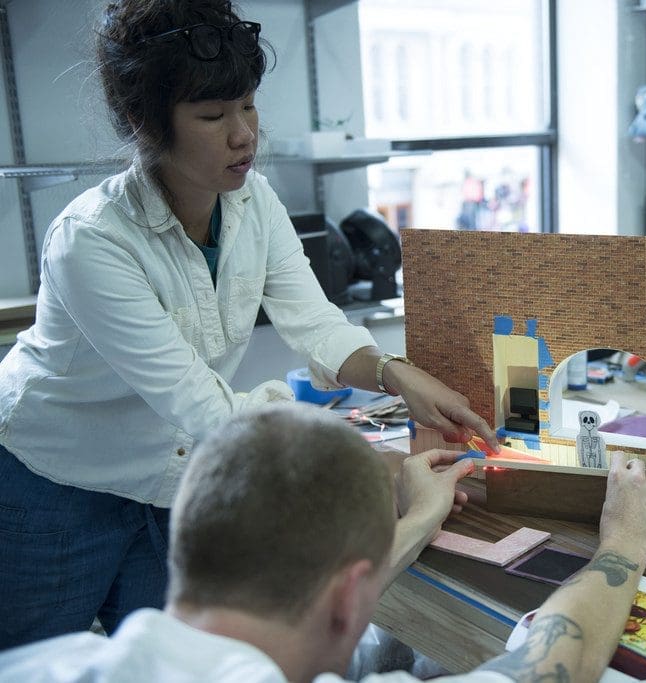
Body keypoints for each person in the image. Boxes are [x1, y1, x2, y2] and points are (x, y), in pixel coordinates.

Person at [0, 0, 496, 650]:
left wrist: (395, 374)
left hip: (170, 478)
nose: (243, 135)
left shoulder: (253, 201)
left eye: (249, 105)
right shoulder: (92, 241)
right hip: (52, 480)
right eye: (213, 116)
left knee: (175, 659)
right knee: (33, 659)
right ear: (145, 123)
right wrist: (370, 471)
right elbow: (205, 408)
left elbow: (313, 320)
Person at [0, 402, 646, 683]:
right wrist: (627, 541)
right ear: (351, 596)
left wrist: (418, 518)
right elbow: (554, 663)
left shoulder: (44, 664)